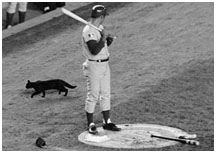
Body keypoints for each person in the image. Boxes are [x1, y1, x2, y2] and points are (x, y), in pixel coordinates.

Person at [82, 5, 121, 134]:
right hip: (94, 66)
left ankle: (107, 122)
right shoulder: (88, 31)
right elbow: (94, 50)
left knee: (105, 93)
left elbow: (103, 46)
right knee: (93, 95)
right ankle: (91, 124)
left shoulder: (99, 28)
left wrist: (108, 40)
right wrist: (103, 38)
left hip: (105, 64)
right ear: (102, 16)